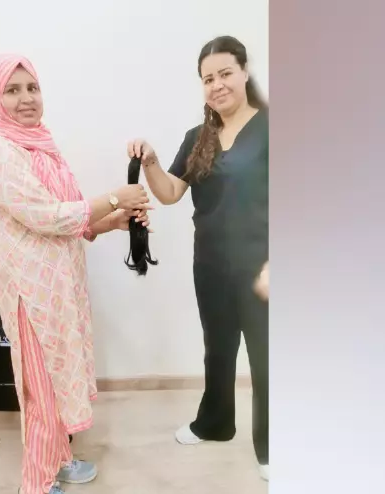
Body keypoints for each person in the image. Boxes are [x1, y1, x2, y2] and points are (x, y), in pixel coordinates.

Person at [0, 54, 152, 494]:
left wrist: (112, 222)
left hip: (59, 286)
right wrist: (115, 199)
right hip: (31, 293)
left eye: (32, 88)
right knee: (43, 393)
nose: (26, 98)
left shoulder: (39, 143)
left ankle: (59, 459)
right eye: (12, 90)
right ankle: (36, 485)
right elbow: (46, 215)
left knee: (59, 381)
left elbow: (69, 214)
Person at [127, 35, 269, 481]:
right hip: (210, 265)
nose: (217, 85)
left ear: (244, 72)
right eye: (208, 78)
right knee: (218, 350)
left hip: (261, 267)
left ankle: (273, 446)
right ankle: (215, 424)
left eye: (225, 73)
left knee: (266, 356)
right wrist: (151, 162)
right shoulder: (198, 137)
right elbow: (170, 192)